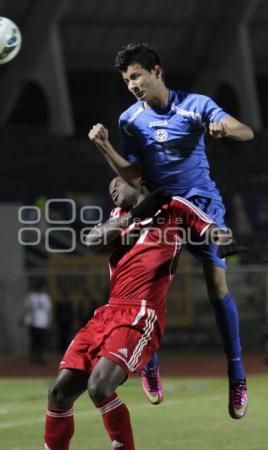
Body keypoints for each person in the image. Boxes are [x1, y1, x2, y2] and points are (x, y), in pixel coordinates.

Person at [88, 43, 252, 419]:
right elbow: (131, 175)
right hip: (160, 209)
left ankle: (237, 375)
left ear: (157, 71)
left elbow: (246, 132)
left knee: (216, 286)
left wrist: (227, 129)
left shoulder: (195, 106)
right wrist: (104, 147)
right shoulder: (130, 120)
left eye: (135, 76)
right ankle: (148, 363)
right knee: (146, 290)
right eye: (126, 80)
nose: (131, 85)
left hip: (201, 205)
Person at [44, 176, 241, 450]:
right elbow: (91, 239)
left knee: (99, 387)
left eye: (116, 183)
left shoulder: (174, 207)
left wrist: (225, 241)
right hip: (108, 311)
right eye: (109, 187)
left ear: (138, 181)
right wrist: (134, 216)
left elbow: (211, 228)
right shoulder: (119, 215)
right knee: (58, 394)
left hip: (141, 314)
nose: (111, 189)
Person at [24, 280, 52, 365]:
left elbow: (49, 310)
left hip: (39, 322)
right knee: (36, 342)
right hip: (36, 322)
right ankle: (35, 358)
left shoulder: (33, 296)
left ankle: (39, 358)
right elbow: (49, 311)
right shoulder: (42, 297)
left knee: (39, 342)